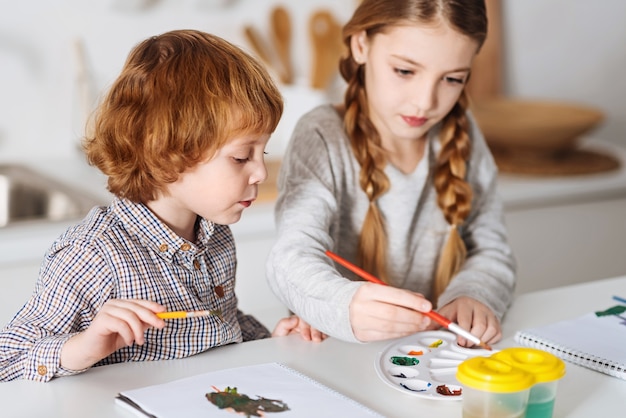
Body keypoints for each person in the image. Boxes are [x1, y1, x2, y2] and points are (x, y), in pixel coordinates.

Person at [0, 29, 323, 383]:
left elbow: (216, 323)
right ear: (166, 155)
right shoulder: (92, 255)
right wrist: (82, 348)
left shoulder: (215, 237)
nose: (261, 172)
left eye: (262, 152)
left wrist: (268, 342)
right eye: (241, 156)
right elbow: (8, 360)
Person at [267, 0, 516, 346]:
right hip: (340, 354)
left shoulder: (462, 133)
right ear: (361, 45)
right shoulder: (322, 135)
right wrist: (345, 306)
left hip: (434, 356)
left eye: (453, 79)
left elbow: (491, 249)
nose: (425, 102)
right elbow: (291, 256)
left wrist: (475, 294)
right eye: (405, 71)